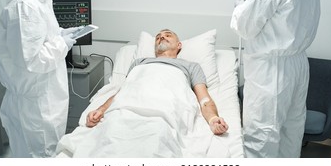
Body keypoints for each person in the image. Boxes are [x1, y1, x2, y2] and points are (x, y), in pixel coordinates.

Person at [230, 0, 321, 158]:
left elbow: (245, 27)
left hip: (271, 70)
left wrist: (241, 5)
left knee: (261, 136)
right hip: (299, 64)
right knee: (292, 130)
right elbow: (286, 13)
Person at [0, 0, 82, 157]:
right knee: (41, 155)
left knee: (45, 152)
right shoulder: (26, 7)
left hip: (44, 97)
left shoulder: (39, 2)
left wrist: (61, 34)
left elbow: (39, 39)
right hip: (35, 104)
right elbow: (33, 60)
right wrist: (63, 43)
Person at [86, 29, 228, 136]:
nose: (161, 37)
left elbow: (204, 98)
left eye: (167, 35)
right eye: (158, 37)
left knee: (159, 133)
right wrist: (100, 110)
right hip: (130, 105)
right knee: (113, 130)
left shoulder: (191, 66)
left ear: (179, 45)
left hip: (166, 107)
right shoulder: (139, 63)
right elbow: (123, 92)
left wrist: (213, 119)